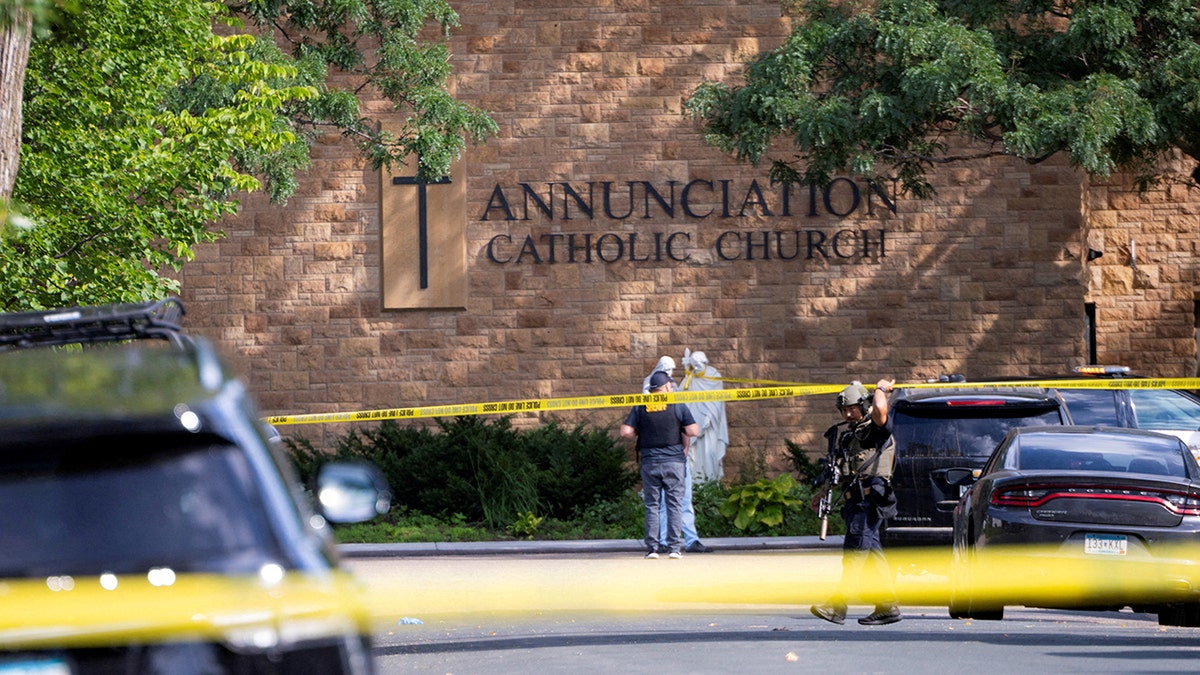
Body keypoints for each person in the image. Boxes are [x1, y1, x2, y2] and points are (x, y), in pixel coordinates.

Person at [810, 378, 902, 626]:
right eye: (844, 410)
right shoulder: (852, 435)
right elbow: (844, 470)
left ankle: (837, 606)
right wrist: (822, 494)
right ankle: (887, 606)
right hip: (855, 501)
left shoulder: (876, 429)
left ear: (864, 405)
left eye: (852, 408)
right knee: (872, 555)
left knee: (854, 554)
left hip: (868, 500)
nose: (848, 414)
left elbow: (880, 409)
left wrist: (880, 389)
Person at [622, 370, 699, 559]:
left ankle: (653, 549)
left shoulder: (641, 405)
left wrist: (639, 432)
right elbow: (693, 431)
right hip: (674, 462)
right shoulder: (676, 404)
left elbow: (626, 432)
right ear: (665, 387)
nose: (671, 388)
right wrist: (681, 427)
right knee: (674, 505)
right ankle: (674, 548)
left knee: (652, 505)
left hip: (650, 463)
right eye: (670, 385)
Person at [645, 356, 713, 554]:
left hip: (675, 458)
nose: (670, 372)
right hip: (661, 457)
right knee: (664, 503)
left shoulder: (674, 395)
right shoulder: (649, 391)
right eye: (667, 369)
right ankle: (664, 541)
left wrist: (685, 448)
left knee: (683, 500)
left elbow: (686, 427)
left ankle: (690, 539)